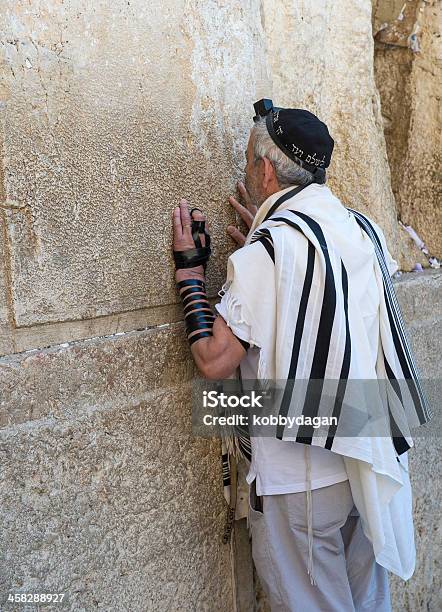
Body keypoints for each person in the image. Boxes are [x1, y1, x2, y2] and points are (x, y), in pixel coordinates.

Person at [171, 100, 431, 611]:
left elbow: (216, 359)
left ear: (265, 170)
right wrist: (265, 251)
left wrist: (190, 277)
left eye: (249, 160)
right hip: (366, 458)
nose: (246, 169)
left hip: (300, 482)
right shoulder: (360, 228)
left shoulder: (270, 252)